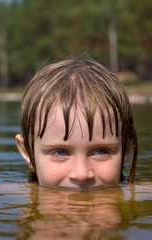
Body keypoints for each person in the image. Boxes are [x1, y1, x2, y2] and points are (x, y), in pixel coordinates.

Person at [15, 59, 137, 189]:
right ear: (27, 152)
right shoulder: (4, 198)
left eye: (101, 151)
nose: (81, 174)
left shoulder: (150, 195)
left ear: (125, 153)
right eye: (61, 152)